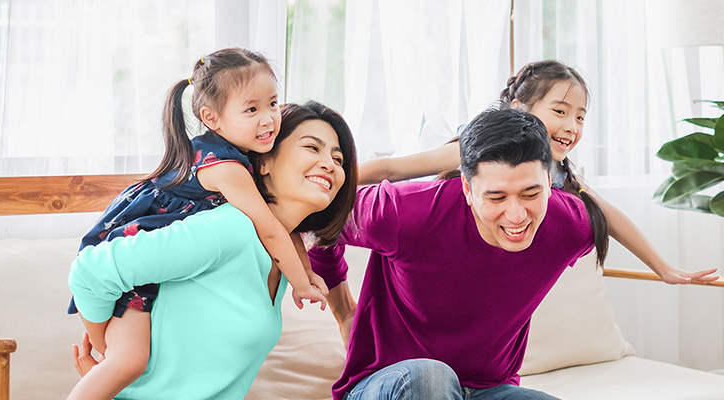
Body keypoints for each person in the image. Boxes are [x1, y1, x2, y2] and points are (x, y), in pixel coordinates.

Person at [65, 48, 331, 398]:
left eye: (272, 104)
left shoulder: (238, 158)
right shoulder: (229, 171)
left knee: (125, 363)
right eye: (251, 109)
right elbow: (268, 228)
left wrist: (306, 272)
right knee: (128, 361)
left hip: (146, 264)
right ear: (211, 117)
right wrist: (301, 284)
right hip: (129, 246)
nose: (268, 119)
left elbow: (283, 229)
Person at [310, 108, 598, 400]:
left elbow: (605, 219)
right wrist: (344, 312)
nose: (516, 215)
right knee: (433, 378)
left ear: (549, 183)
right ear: (467, 189)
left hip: (489, 390)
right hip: (390, 385)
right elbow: (319, 221)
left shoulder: (569, 224)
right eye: (496, 196)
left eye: (530, 194)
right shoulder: (406, 213)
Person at [356, 59, 719, 284]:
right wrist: (338, 184)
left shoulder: (558, 171)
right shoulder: (480, 150)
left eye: (580, 117)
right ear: (519, 108)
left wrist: (664, 268)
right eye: (559, 111)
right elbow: (394, 167)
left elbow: (609, 215)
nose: (572, 126)